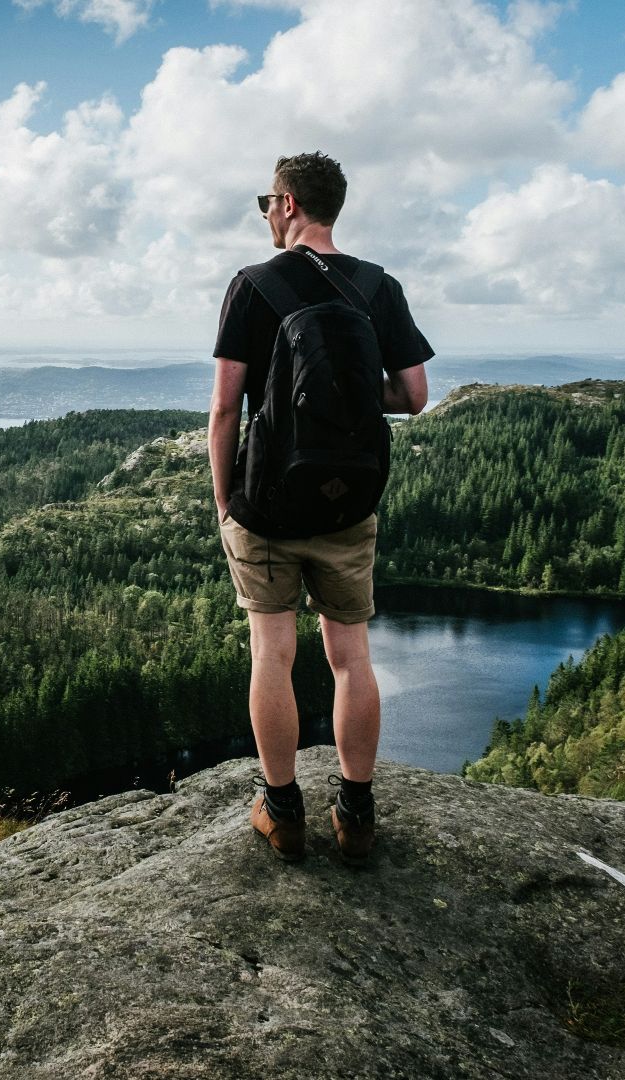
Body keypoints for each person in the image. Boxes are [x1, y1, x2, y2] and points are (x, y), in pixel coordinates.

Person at [208, 151, 433, 864]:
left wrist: (225, 504)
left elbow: (224, 411)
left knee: (272, 653)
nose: (267, 216)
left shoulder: (253, 285)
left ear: (286, 204)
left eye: (266, 204)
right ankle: (357, 813)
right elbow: (414, 396)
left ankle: (282, 810)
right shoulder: (377, 286)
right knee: (349, 656)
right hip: (347, 505)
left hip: (268, 507)